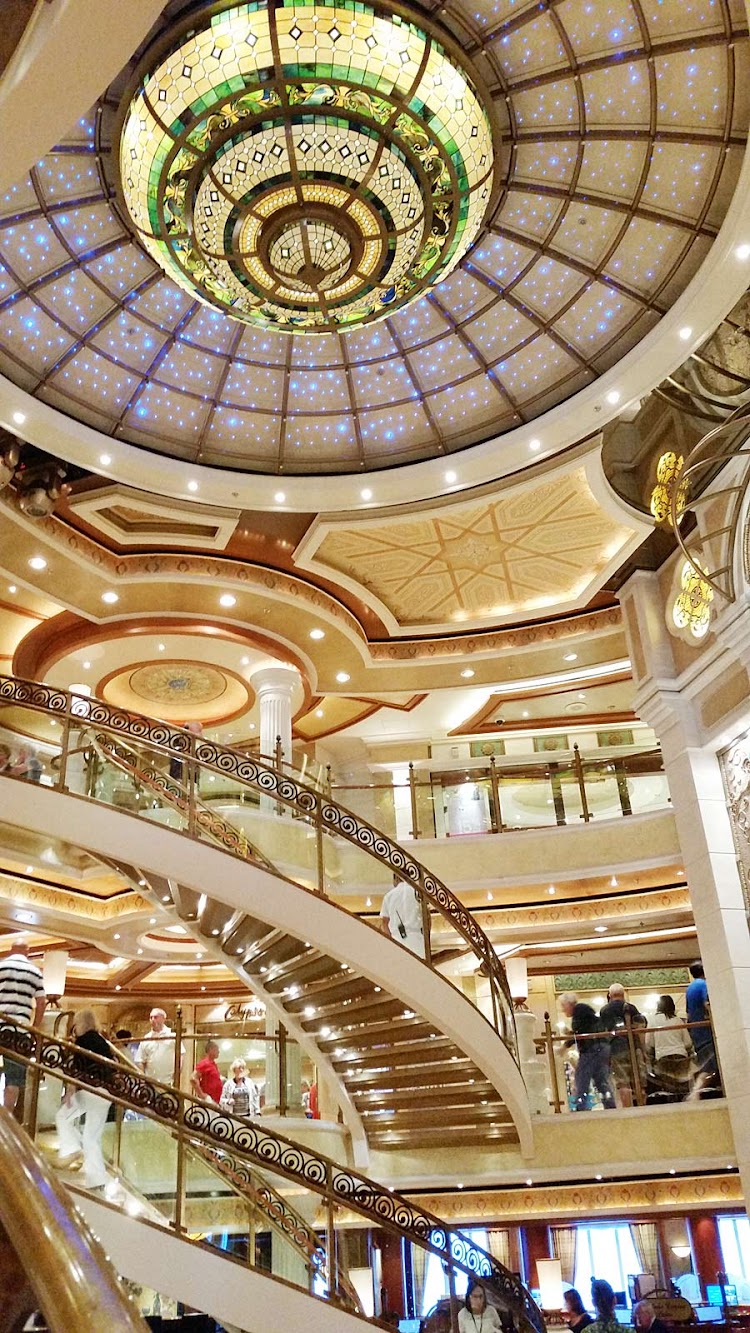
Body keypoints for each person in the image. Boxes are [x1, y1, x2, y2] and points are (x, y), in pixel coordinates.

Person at [54, 1008, 112, 1189]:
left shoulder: (82, 1041)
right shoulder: (102, 1041)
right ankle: (97, 1179)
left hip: (90, 1091)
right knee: (92, 1137)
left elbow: (76, 1068)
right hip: (105, 1093)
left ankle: (72, 1147)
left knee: (62, 1116)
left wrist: (70, 1090)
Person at [0, 942, 45, 1112]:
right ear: (28, 952)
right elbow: (41, 1002)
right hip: (20, 1031)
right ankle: (5, 1122)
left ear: (11, 950)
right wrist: (34, 1028)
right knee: (14, 1080)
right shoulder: (34, 971)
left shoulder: (1, 966)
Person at [560, 993, 615, 1112]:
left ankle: (581, 1108)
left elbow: (579, 1034)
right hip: (601, 1047)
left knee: (581, 1078)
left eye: (563, 1005)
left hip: (592, 1049)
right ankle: (610, 1106)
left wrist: (564, 1046)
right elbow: (583, 1030)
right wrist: (570, 1034)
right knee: (601, 1080)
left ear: (569, 1004)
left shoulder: (579, 1011)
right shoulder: (584, 1011)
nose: (562, 1009)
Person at [599, 983, 644, 1107]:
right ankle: (642, 1107)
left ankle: (628, 1110)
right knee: (638, 1080)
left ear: (610, 995)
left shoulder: (605, 1010)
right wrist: (642, 1048)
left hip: (616, 1049)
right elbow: (640, 1027)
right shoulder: (631, 1008)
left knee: (622, 1082)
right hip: (634, 1047)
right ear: (623, 994)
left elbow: (604, 1033)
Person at [647, 995, 692, 1093]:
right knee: (683, 1087)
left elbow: (649, 1043)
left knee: (669, 1088)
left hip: (663, 1057)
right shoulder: (678, 1020)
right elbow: (688, 1043)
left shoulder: (653, 1020)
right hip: (681, 1056)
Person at [379, 874, 427, 958]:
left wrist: (390, 941)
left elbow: (384, 922)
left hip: (397, 939)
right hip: (417, 939)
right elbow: (427, 918)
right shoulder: (418, 893)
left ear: (396, 878)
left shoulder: (389, 896)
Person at [136, 1007, 185, 1084]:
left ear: (163, 1019)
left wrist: (176, 1075)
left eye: (155, 1017)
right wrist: (143, 1079)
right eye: (151, 1017)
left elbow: (181, 1055)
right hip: (150, 1083)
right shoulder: (146, 1038)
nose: (152, 1020)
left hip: (168, 1082)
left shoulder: (172, 1035)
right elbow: (140, 1060)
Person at [685, 962, 717, 1077]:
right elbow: (707, 1003)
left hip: (697, 1033)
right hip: (707, 1032)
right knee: (712, 1067)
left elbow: (688, 1013)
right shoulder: (703, 985)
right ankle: (696, 1092)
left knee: (706, 1066)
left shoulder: (689, 988)